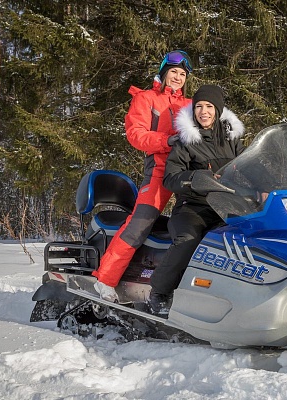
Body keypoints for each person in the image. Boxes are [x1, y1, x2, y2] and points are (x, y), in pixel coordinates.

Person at [92, 50, 194, 302]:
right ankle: (105, 279)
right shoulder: (146, 98)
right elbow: (136, 134)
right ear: (164, 73)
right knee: (140, 223)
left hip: (189, 170)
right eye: (174, 72)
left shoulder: (191, 104)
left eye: (183, 74)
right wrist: (166, 140)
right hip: (160, 168)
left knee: (203, 220)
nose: (178, 77)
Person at [148, 84, 246, 314]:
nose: (204, 111)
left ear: (218, 110)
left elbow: (248, 167)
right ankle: (159, 291)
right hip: (193, 208)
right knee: (188, 239)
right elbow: (170, 178)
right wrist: (196, 177)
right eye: (199, 106)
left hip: (228, 208)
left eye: (209, 106)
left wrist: (264, 183)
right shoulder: (186, 141)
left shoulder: (232, 140)